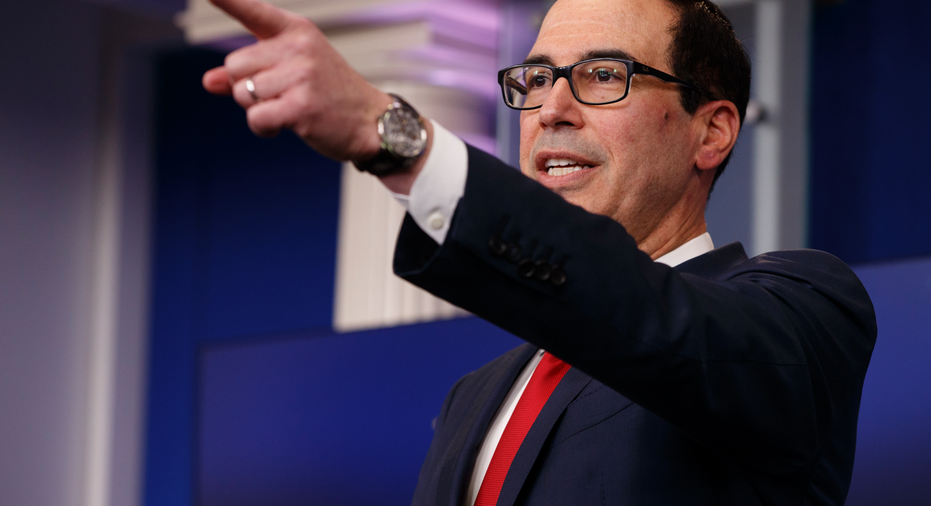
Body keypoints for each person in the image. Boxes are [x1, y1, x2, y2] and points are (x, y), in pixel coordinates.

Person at [203, 0, 877, 504]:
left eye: (603, 75)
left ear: (712, 132)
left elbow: (646, 319)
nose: (551, 108)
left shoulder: (803, 314)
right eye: (535, 78)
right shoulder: (475, 398)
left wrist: (393, 137)